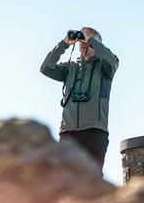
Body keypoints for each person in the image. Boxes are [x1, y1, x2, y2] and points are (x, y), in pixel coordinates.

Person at [40, 26, 120, 173]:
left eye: (86, 41)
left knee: (92, 178)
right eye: (80, 41)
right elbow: (46, 68)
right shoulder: (70, 67)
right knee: (64, 178)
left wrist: (90, 39)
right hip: (68, 132)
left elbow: (112, 60)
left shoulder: (104, 68)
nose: (82, 44)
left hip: (95, 132)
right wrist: (64, 43)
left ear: (97, 45)